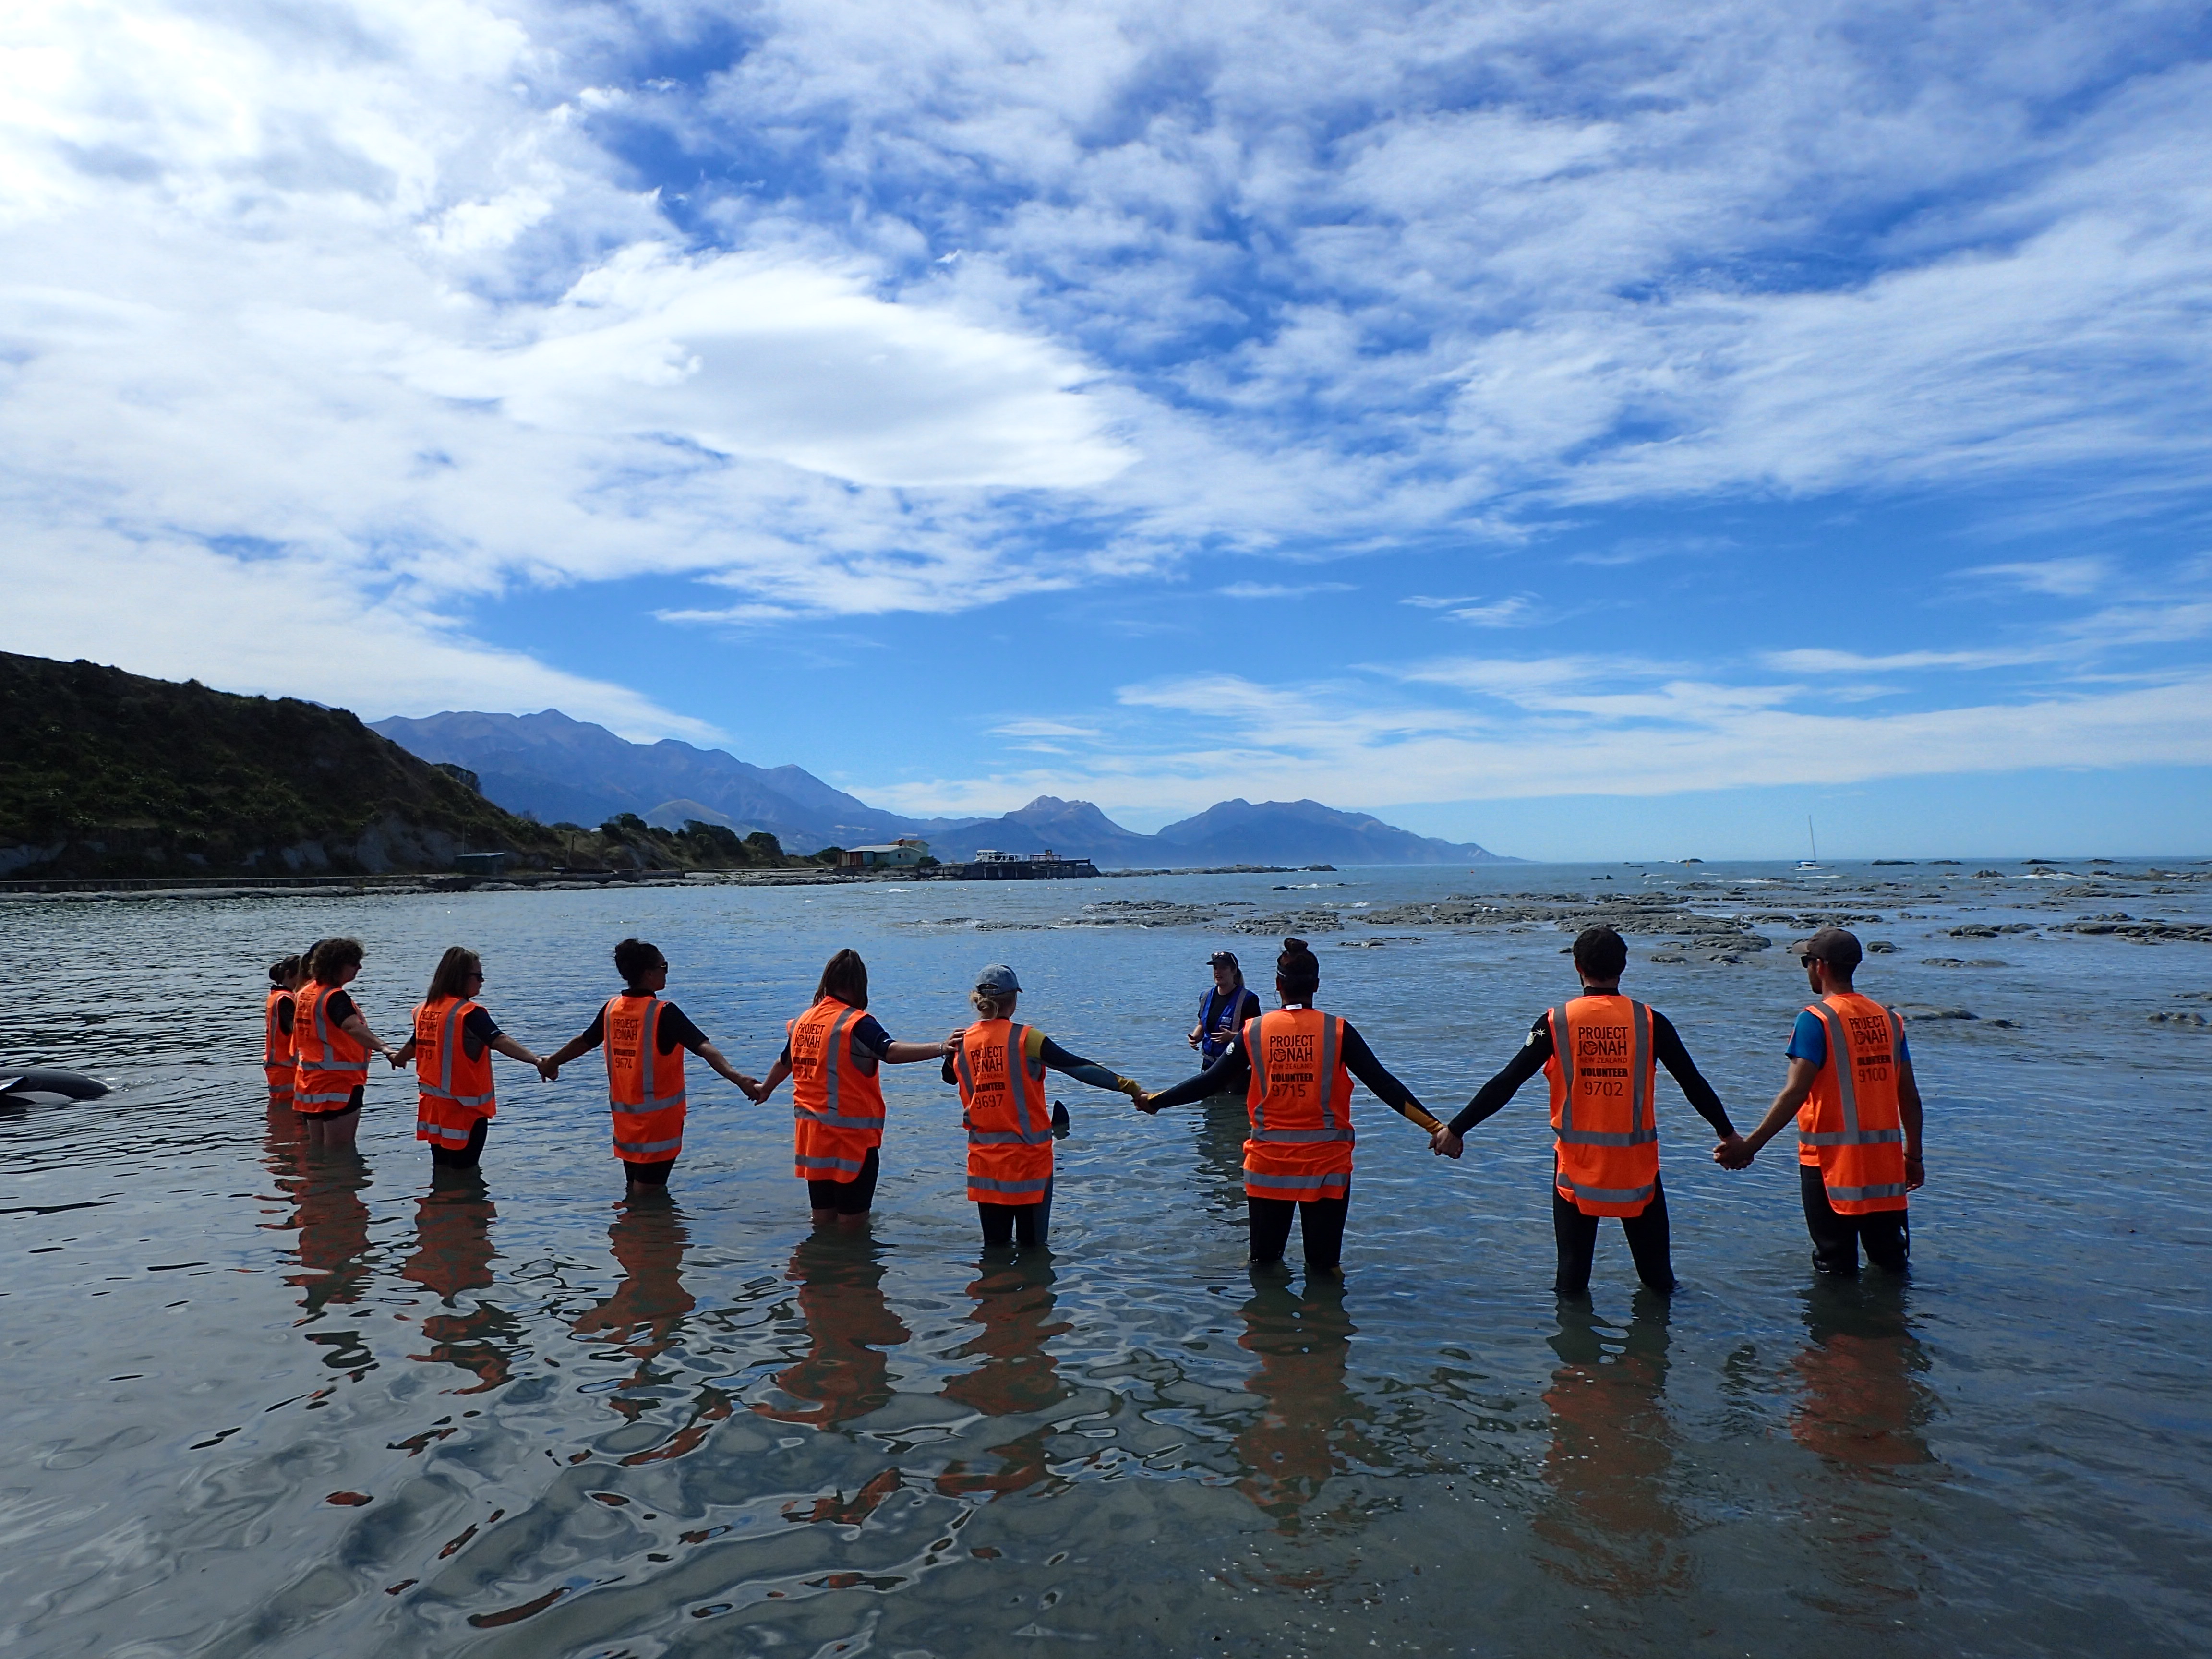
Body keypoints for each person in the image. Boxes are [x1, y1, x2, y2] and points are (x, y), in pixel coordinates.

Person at [1430, 925, 1742, 1297]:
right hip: (1635, 1171)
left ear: (1577, 966)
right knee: (1659, 1280)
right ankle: (1661, 1335)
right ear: (1623, 966)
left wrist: (1457, 1128)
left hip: (1577, 1170)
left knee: (1572, 1279)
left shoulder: (1556, 1023)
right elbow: (1693, 1083)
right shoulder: (1650, 1022)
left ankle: (1574, 1337)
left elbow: (1507, 1082)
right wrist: (1729, 1135)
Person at [1140, 937, 1444, 1277]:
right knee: (1325, 1269)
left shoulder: (1254, 1032)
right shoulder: (1337, 1031)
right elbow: (1385, 1085)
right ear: (1316, 985)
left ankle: (1267, 1311)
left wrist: (1157, 1100)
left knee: (1263, 1265)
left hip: (1269, 1166)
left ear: (1277, 985)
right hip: (1325, 1168)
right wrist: (1437, 1128)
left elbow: (1209, 1082)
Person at [1717, 927, 1923, 1274]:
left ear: (1821, 966)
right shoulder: (1890, 1020)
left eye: (1807, 962)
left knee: (1834, 1265)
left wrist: (1750, 1146)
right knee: (1891, 1263)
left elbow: (1796, 1092)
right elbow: (1910, 1096)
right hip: (1885, 1165)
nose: (1808, 970)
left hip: (1830, 1167)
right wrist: (1914, 1156)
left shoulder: (1816, 1020)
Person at [941, 963, 1145, 1249]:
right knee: (1034, 1248)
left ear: (978, 1001)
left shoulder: (960, 1043)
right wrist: (1130, 1088)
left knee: (995, 1248)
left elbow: (949, 1077)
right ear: (1014, 1000)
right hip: (1030, 1162)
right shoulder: (1026, 1039)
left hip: (985, 1163)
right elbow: (1079, 1068)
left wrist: (949, 1050)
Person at [748, 949, 951, 1227]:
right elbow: (890, 1052)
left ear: (828, 981)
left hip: (813, 1140)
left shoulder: (803, 1021)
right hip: (851, 1143)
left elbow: (786, 1062)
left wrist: (765, 1088)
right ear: (860, 985)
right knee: (853, 1227)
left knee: (821, 1220)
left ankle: (818, 1256)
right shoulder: (856, 1023)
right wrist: (941, 1048)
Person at [540, 938, 759, 1193]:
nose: (667, 972)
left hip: (626, 1122)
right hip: (658, 1125)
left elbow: (584, 1042)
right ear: (649, 973)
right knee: (648, 1196)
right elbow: (704, 1048)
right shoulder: (664, 1012)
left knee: (634, 1190)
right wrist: (738, 1078)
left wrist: (552, 1062)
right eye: (664, 967)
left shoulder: (612, 1009)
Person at [389, 946, 551, 1172]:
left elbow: (415, 1044)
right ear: (461, 978)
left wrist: (397, 1058)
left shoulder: (424, 1011)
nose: (483, 982)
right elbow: (499, 1040)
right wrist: (537, 1061)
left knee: (442, 1169)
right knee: (466, 1174)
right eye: (479, 976)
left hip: (434, 1109)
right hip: (464, 1111)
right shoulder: (469, 1013)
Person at [291, 937, 397, 1148]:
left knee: (318, 1148)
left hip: (310, 1083)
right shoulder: (334, 997)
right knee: (340, 1150)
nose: (359, 968)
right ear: (338, 966)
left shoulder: (305, 993)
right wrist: (385, 1048)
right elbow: (352, 1027)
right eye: (354, 963)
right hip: (339, 1084)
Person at [1190, 950, 1263, 1067]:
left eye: (1223, 968)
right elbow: (1201, 1025)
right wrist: (1195, 1037)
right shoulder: (1206, 996)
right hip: (1209, 1065)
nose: (1218, 971)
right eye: (1215, 968)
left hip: (1234, 1066)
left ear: (1234, 971)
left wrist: (1232, 1036)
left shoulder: (1248, 999)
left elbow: (1256, 1034)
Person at [263, 954, 305, 1111]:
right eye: (302, 975)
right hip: (286, 1068)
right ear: (289, 975)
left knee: (281, 1113)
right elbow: (297, 1031)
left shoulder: (276, 995)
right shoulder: (285, 1000)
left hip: (278, 1066)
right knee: (289, 1114)